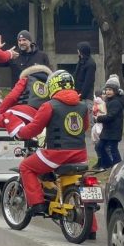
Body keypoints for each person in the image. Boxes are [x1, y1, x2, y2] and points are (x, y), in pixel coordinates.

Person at [13, 70, 90, 216]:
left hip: (56, 155)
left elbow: (35, 128)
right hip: (81, 154)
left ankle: (37, 204)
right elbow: (84, 127)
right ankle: (91, 229)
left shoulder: (49, 105)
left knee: (26, 166)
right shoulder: (83, 106)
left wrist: (20, 133)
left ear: (52, 86)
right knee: (84, 188)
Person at [0, 64, 52, 136]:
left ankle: (18, 130)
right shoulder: (49, 86)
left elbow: (11, 97)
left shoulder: (26, 79)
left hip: (20, 112)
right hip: (37, 119)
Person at [95, 74, 124, 170]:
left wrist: (98, 118)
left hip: (114, 130)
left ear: (115, 91)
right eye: (107, 90)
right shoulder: (109, 101)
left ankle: (118, 166)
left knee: (113, 149)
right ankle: (107, 163)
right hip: (108, 129)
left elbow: (110, 116)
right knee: (100, 146)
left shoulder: (116, 102)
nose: (108, 92)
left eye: (110, 90)